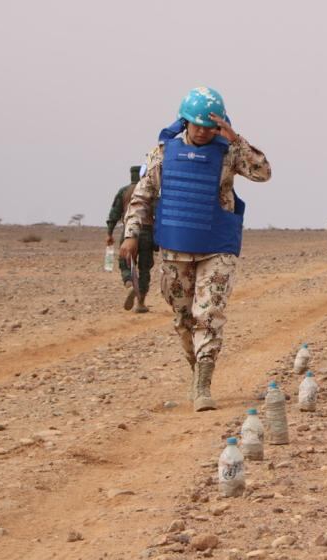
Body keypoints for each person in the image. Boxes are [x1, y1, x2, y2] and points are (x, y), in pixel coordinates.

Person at [120, 87, 271, 411]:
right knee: (183, 317)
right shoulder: (162, 153)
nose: (203, 131)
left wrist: (235, 139)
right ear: (185, 121)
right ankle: (195, 370)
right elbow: (142, 196)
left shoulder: (229, 152)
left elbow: (263, 173)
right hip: (176, 249)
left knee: (210, 312)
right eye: (197, 124)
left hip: (217, 248)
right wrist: (130, 234)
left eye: (210, 125)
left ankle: (203, 383)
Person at [106, 165, 155, 312]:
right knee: (145, 268)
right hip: (147, 233)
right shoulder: (150, 191)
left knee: (125, 262)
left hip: (128, 233)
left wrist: (109, 233)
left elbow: (114, 213)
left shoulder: (124, 191)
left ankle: (129, 282)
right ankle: (140, 303)